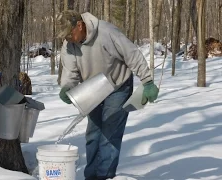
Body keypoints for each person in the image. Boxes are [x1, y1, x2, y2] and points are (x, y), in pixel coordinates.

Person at [56, 10, 159, 180]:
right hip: (93, 89)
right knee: (93, 134)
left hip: (118, 86)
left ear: (79, 26)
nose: (67, 38)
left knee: (109, 135)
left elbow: (132, 54)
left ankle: (105, 176)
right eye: (64, 36)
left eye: (69, 34)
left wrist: (147, 81)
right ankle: (91, 176)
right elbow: (70, 72)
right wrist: (67, 88)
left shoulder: (106, 32)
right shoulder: (69, 45)